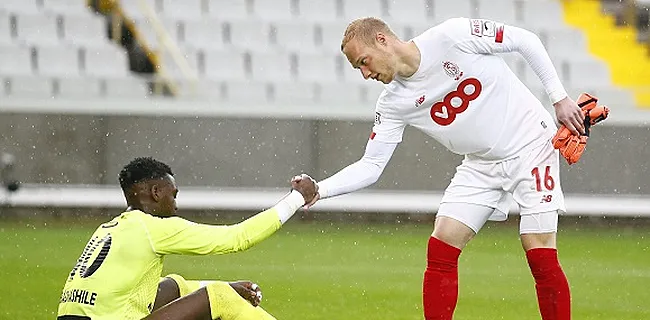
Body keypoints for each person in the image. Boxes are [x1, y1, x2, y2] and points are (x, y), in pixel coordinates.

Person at [297, 17, 585, 320]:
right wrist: (321, 189)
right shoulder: (393, 103)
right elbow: (371, 165)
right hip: (480, 164)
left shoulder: (453, 36)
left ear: (382, 40)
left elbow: (525, 40)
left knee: (538, 250)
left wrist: (559, 99)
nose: (365, 74)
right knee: (442, 244)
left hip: (531, 146)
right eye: (359, 69)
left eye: (364, 62)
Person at [57, 157, 318, 320]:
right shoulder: (153, 228)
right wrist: (297, 198)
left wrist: (229, 285)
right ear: (156, 192)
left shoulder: (108, 229)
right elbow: (238, 237)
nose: (176, 205)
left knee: (174, 285)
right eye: (174, 195)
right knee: (218, 297)